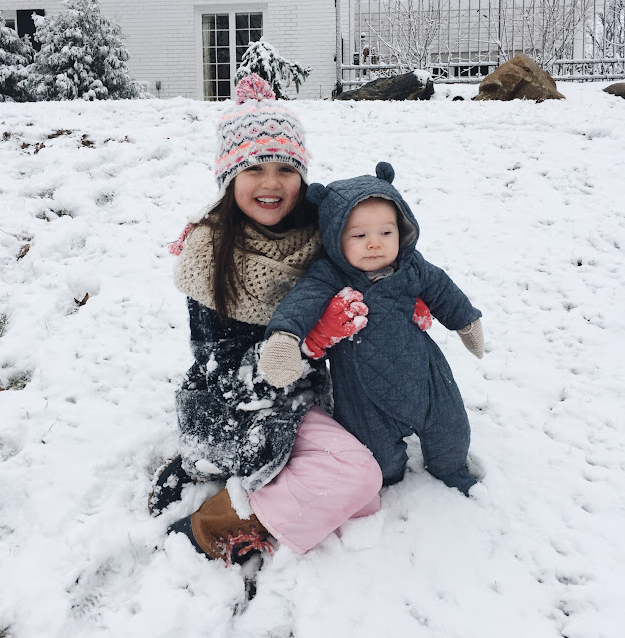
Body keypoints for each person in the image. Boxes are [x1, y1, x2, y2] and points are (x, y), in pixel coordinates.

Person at [149, 76, 424, 566]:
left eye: (285, 168)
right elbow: (223, 377)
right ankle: (208, 524)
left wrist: (404, 297)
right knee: (358, 479)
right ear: (228, 176)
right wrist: (309, 342)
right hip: (236, 407)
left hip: (306, 396)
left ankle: (255, 481)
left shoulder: (322, 233)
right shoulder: (210, 255)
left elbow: (378, 249)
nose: (271, 183)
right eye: (253, 168)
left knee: (365, 493)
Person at [259, 161, 485, 496]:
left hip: (425, 374)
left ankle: (450, 467)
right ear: (335, 237)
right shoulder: (329, 275)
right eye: (359, 235)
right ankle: (388, 475)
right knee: (377, 456)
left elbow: (442, 290)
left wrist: (466, 321)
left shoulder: (411, 266)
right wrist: (284, 338)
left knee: (449, 427)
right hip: (361, 388)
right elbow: (301, 303)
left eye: (386, 233)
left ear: (402, 230)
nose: (374, 243)